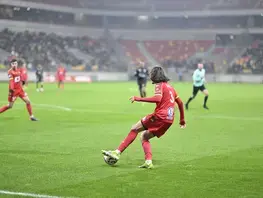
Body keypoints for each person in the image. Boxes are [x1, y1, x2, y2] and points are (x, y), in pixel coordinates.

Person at [102, 66, 186, 169]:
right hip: (169, 120)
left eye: (151, 74)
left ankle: (117, 152)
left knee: (134, 128)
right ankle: (148, 162)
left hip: (160, 116)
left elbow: (157, 98)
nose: (150, 76)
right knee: (144, 137)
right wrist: (182, 120)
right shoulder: (171, 88)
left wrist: (138, 98)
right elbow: (181, 103)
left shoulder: (159, 85)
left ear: (155, 75)